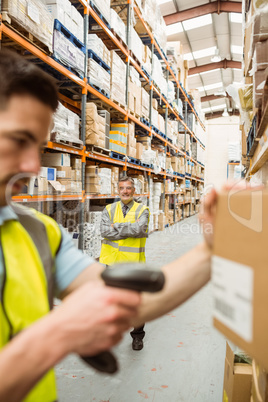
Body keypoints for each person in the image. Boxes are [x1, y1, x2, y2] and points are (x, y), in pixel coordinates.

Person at [0, 49, 214, 402]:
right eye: (19, 141)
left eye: (38, 148)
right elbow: (110, 231)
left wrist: (215, 248)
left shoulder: (37, 231)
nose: (33, 166)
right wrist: (57, 335)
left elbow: (122, 301)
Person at [99, 176, 150, 351]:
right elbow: (105, 232)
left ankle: (137, 336)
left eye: (128, 188)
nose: (125, 191)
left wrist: (116, 227)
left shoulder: (143, 210)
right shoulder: (109, 209)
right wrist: (129, 228)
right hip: (112, 262)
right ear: (118, 190)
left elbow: (140, 229)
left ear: (133, 190)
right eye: (122, 188)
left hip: (134, 263)